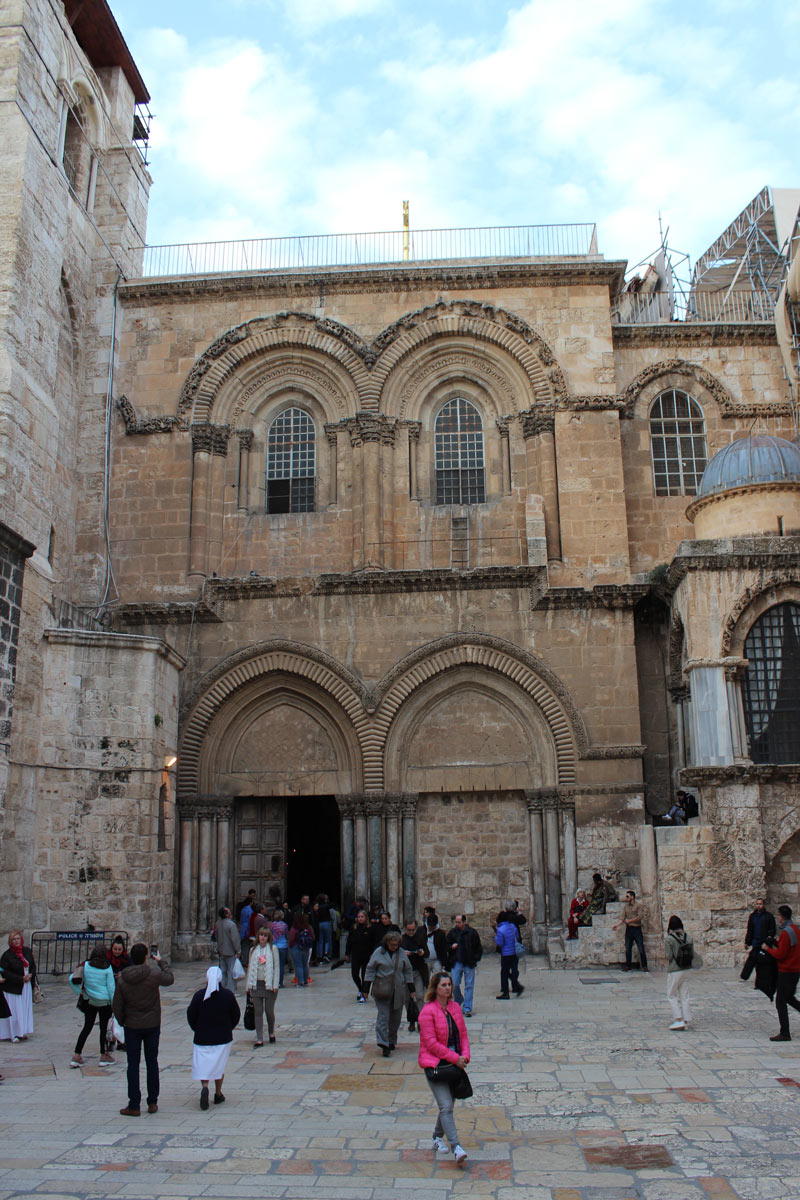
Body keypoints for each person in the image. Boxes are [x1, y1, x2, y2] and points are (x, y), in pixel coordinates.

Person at [112, 942, 174, 1116]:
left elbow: (117, 1004)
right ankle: (152, 1101)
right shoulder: (153, 974)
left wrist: (124, 1020)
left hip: (132, 1025)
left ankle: (134, 1104)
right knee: (151, 1062)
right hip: (152, 1024)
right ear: (146, 957)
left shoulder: (123, 978)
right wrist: (161, 962)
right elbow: (169, 978)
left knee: (133, 1064)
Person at [418, 971, 470, 1166]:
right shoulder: (427, 1012)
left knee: (448, 1104)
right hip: (435, 1064)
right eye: (444, 985)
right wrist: (455, 1058)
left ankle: (437, 1136)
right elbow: (430, 1043)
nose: (447, 988)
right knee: (446, 1105)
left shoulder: (455, 1007)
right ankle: (456, 1147)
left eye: (449, 985)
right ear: (435, 988)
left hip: (454, 1063)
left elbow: (463, 1034)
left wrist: (465, 1056)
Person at [187, 965, 241, 1108]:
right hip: (222, 1038)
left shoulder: (199, 996)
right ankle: (218, 1093)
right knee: (219, 1065)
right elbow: (236, 1015)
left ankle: (205, 1086)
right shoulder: (228, 996)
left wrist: (196, 1029)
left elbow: (191, 1014)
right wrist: (229, 1028)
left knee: (204, 1065)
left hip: (202, 1038)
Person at [364, 930, 413, 1056]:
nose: (394, 947)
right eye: (392, 945)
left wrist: (411, 988)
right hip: (382, 989)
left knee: (395, 1018)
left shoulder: (401, 954)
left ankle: (391, 1040)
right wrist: (365, 988)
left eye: (396, 945)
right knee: (383, 1016)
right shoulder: (378, 953)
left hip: (398, 990)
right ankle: (383, 1042)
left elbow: (408, 970)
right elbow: (370, 969)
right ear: (387, 943)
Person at [69, 945, 117, 1067]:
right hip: (104, 1001)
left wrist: (79, 992)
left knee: (87, 1027)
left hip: (90, 1000)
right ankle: (104, 1055)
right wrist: (114, 1003)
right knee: (103, 1028)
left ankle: (77, 1055)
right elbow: (111, 988)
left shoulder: (86, 966)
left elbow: (71, 979)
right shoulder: (107, 968)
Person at [763, 904, 800, 1042]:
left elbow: (781, 954)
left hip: (787, 970)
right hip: (795, 970)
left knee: (780, 1002)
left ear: (781, 917)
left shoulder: (786, 932)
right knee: (790, 998)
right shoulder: (795, 929)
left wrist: (768, 949)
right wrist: (776, 943)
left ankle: (785, 1033)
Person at [245, 925, 279, 1046]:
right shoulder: (253, 950)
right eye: (261, 935)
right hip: (256, 984)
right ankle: (259, 1038)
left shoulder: (273, 949)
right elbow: (249, 968)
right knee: (258, 1011)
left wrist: (275, 984)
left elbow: (277, 967)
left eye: (265, 936)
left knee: (269, 1011)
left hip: (269, 984)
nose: (262, 937)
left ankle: (271, 1032)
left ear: (268, 937)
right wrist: (247, 986)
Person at [0, 930, 37, 1042]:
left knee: (24, 1010)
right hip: (13, 988)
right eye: (14, 939)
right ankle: (13, 1033)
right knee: (15, 1011)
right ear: (10, 941)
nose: (16, 941)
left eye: (18, 939)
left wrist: (31, 976)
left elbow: (33, 966)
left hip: (25, 986)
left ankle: (22, 1031)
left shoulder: (27, 952)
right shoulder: (7, 955)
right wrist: (20, 978)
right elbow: (5, 972)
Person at [448, 914, 482, 1018]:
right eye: (456, 922)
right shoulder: (453, 933)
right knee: (454, 983)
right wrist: (451, 947)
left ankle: (467, 1007)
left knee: (469, 985)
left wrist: (475, 958)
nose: (457, 924)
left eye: (459, 922)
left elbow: (478, 947)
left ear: (464, 922)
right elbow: (446, 944)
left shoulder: (472, 933)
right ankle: (458, 999)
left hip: (469, 962)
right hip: (457, 961)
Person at [664, 915, 693, 1030]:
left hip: (675, 970)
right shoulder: (688, 937)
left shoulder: (669, 939)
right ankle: (687, 1019)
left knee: (671, 994)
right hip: (686, 969)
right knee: (684, 995)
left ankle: (679, 1019)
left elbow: (668, 956)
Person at [401, 918, 429, 1030]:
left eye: (413, 930)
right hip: (406, 973)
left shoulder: (420, 938)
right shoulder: (402, 940)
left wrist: (422, 952)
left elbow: (427, 952)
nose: (411, 932)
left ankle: (421, 1020)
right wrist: (403, 953)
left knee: (420, 996)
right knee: (407, 998)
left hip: (418, 971)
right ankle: (412, 1020)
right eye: (409, 930)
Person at [613, 889, 649, 973]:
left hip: (637, 929)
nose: (626, 898)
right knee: (628, 948)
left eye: (627, 896)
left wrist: (630, 921)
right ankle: (628, 965)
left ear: (632, 897)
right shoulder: (626, 907)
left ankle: (644, 966)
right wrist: (617, 925)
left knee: (640, 948)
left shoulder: (639, 905)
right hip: (629, 929)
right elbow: (622, 917)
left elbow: (640, 917)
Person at [741, 898, 776, 981]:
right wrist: (747, 942)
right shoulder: (753, 916)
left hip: (764, 943)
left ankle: (761, 980)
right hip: (755, 942)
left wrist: (768, 941)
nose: (758, 906)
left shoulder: (769, 916)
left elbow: (772, 930)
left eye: (760, 904)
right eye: (757, 904)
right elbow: (750, 930)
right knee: (753, 960)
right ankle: (745, 976)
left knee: (762, 963)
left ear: (763, 905)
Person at [494, 911, 524, 999]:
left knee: (504, 973)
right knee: (509, 971)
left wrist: (496, 937)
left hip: (506, 954)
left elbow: (500, 943)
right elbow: (517, 937)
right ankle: (517, 986)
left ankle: (506, 992)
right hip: (514, 952)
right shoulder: (512, 926)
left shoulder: (500, 930)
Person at [345, 908, 373, 1002]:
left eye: (362, 917)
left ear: (366, 918)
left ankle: (364, 994)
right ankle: (360, 989)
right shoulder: (354, 928)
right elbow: (349, 941)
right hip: (356, 955)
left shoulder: (370, 928)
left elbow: (373, 942)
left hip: (366, 955)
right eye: (359, 917)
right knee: (354, 974)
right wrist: (347, 953)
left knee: (365, 975)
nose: (360, 919)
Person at [215, 907, 241, 990]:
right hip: (230, 951)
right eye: (229, 912)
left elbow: (216, 936)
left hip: (221, 951)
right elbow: (235, 939)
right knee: (231, 972)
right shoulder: (231, 925)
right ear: (226, 914)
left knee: (222, 971)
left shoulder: (218, 924)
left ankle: (222, 988)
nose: (230, 913)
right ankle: (230, 990)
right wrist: (238, 950)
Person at [289, 912, 314, 986]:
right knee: (305, 964)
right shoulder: (308, 927)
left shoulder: (294, 928)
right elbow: (313, 937)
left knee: (298, 965)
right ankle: (306, 980)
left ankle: (300, 982)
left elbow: (291, 939)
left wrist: (291, 946)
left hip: (296, 947)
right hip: (306, 947)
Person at [269, 908, 289, 986]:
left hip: (274, 946)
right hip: (283, 946)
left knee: (274, 965)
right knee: (281, 965)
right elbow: (286, 934)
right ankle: (280, 982)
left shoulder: (272, 925)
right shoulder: (284, 925)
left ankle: (274, 982)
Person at [314, 893, 334, 963]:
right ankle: (327, 955)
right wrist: (327, 900)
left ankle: (319, 955)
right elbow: (332, 905)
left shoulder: (317, 906)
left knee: (320, 940)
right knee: (327, 940)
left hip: (319, 923)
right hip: (326, 922)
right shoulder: (326, 905)